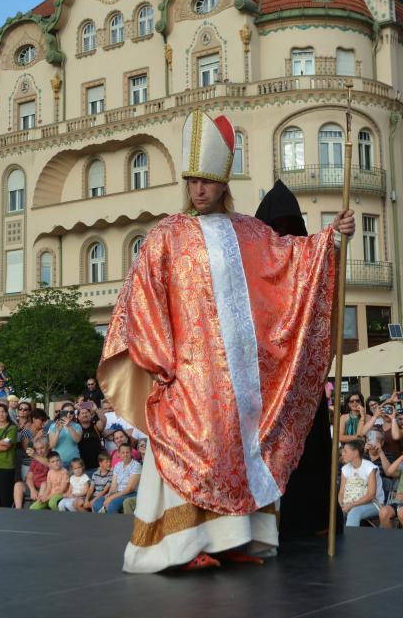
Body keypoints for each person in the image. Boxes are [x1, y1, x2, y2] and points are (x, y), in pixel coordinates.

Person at [97, 111, 354, 573]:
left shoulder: (251, 232)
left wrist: (330, 239)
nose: (199, 190)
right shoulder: (166, 234)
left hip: (241, 378)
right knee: (190, 453)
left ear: (224, 182)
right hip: (187, 373)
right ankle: (179, 547)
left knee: (235, 453)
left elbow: (289, 261)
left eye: (208, 181)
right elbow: (141, 298)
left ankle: (232, 539)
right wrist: (160, 359)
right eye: (193, 180)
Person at [256, 179, 335, 539]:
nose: (283, 235)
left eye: (289, 226)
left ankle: (317, 517)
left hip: (300, 371)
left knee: (311, 445)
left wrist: (336, 234)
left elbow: (321, 252)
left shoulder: (306, 256)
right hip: (265, 374)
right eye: (277, 227)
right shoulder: (253, 262)